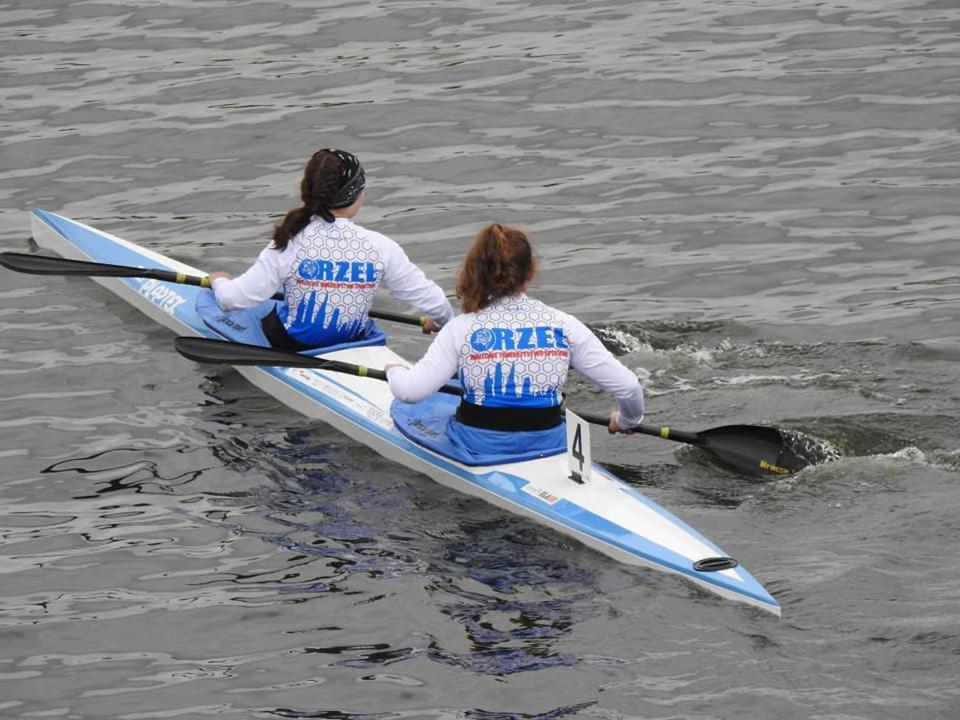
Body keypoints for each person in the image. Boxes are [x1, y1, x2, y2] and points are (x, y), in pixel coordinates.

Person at [384, 223, 644, 459]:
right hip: (550, 443)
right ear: (531, 271)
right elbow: (629, 387)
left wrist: (393, 371)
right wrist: (626, 421)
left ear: (475, 272)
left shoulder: (459, 329)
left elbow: (409, 392)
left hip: (478, 446)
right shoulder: (565, 325)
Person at [207, 148, 454, 351]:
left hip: (291, 345)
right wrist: (441, 322)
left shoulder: (289, 241)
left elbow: (232, 300)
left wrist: (219, 282)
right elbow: (438, 303)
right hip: (352, 346)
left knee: (274, 296)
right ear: (358, 195)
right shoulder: (382, 248)